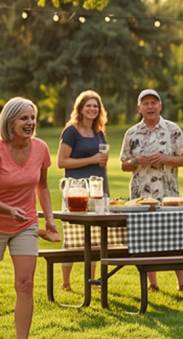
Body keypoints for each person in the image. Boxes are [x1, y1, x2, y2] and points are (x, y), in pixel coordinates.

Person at [0, 97, 60, 339]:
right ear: (10, 121)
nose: (30, 122)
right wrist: (7, 209)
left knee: (25, 284)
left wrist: (50, 221)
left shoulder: (41, 148)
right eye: (24, 118)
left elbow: (43, 187)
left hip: (25, 224)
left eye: (33, 118)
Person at [120, 89, 183, 292]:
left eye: (154, 102)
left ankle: (182, 283)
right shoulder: (131, 133)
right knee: (145, 239)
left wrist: (165, 159)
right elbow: (124, 164)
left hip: (169, 194)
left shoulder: (172, 129)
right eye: (146, 103)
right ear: (139, 108)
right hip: (141, 195)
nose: (150, 106)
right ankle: (152, 284)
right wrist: (137, 161)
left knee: (177, 238)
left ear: (160, 106)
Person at [57, 90, 113, 291]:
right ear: (80, 108)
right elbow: (62, 162)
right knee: (72, 238)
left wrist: (106, 191)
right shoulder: (71, 131)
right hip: (76, 192)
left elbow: (102, 164)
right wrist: (92, 159)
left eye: (95, 106)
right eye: (88, 105)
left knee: (96, 238)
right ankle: (66, 283)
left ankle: (92, 281)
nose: (92, 109)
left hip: (98, 191)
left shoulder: (99, 132)